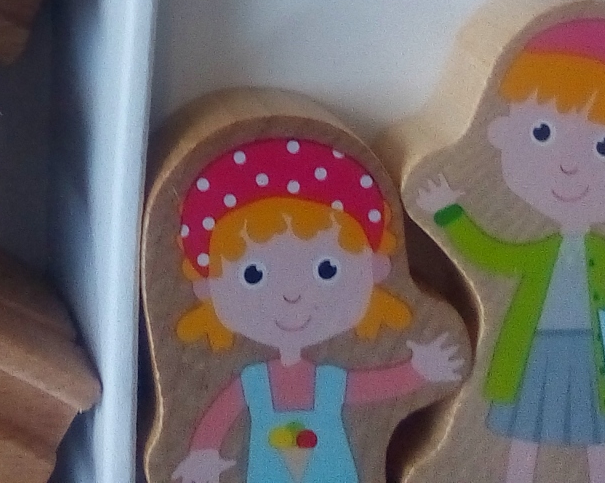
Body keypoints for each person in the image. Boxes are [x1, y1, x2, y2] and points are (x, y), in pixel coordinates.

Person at [411, 16, 605, 483]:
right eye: (543, 132)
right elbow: (492, 253)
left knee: (602, 435)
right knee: (525, 431)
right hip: (539, 354)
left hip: (594, 357)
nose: (569, 164)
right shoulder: (539, 249)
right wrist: (449, 213)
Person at [171, 133, 464, 483]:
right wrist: (202, 455)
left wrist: (419, 372)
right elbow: (218, 417)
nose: (291, 295)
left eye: (327, 269)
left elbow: (371, 387)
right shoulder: (255, 382)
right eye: (253, 274)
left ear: (375, 268)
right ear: (206, 287)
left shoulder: (327, 381)